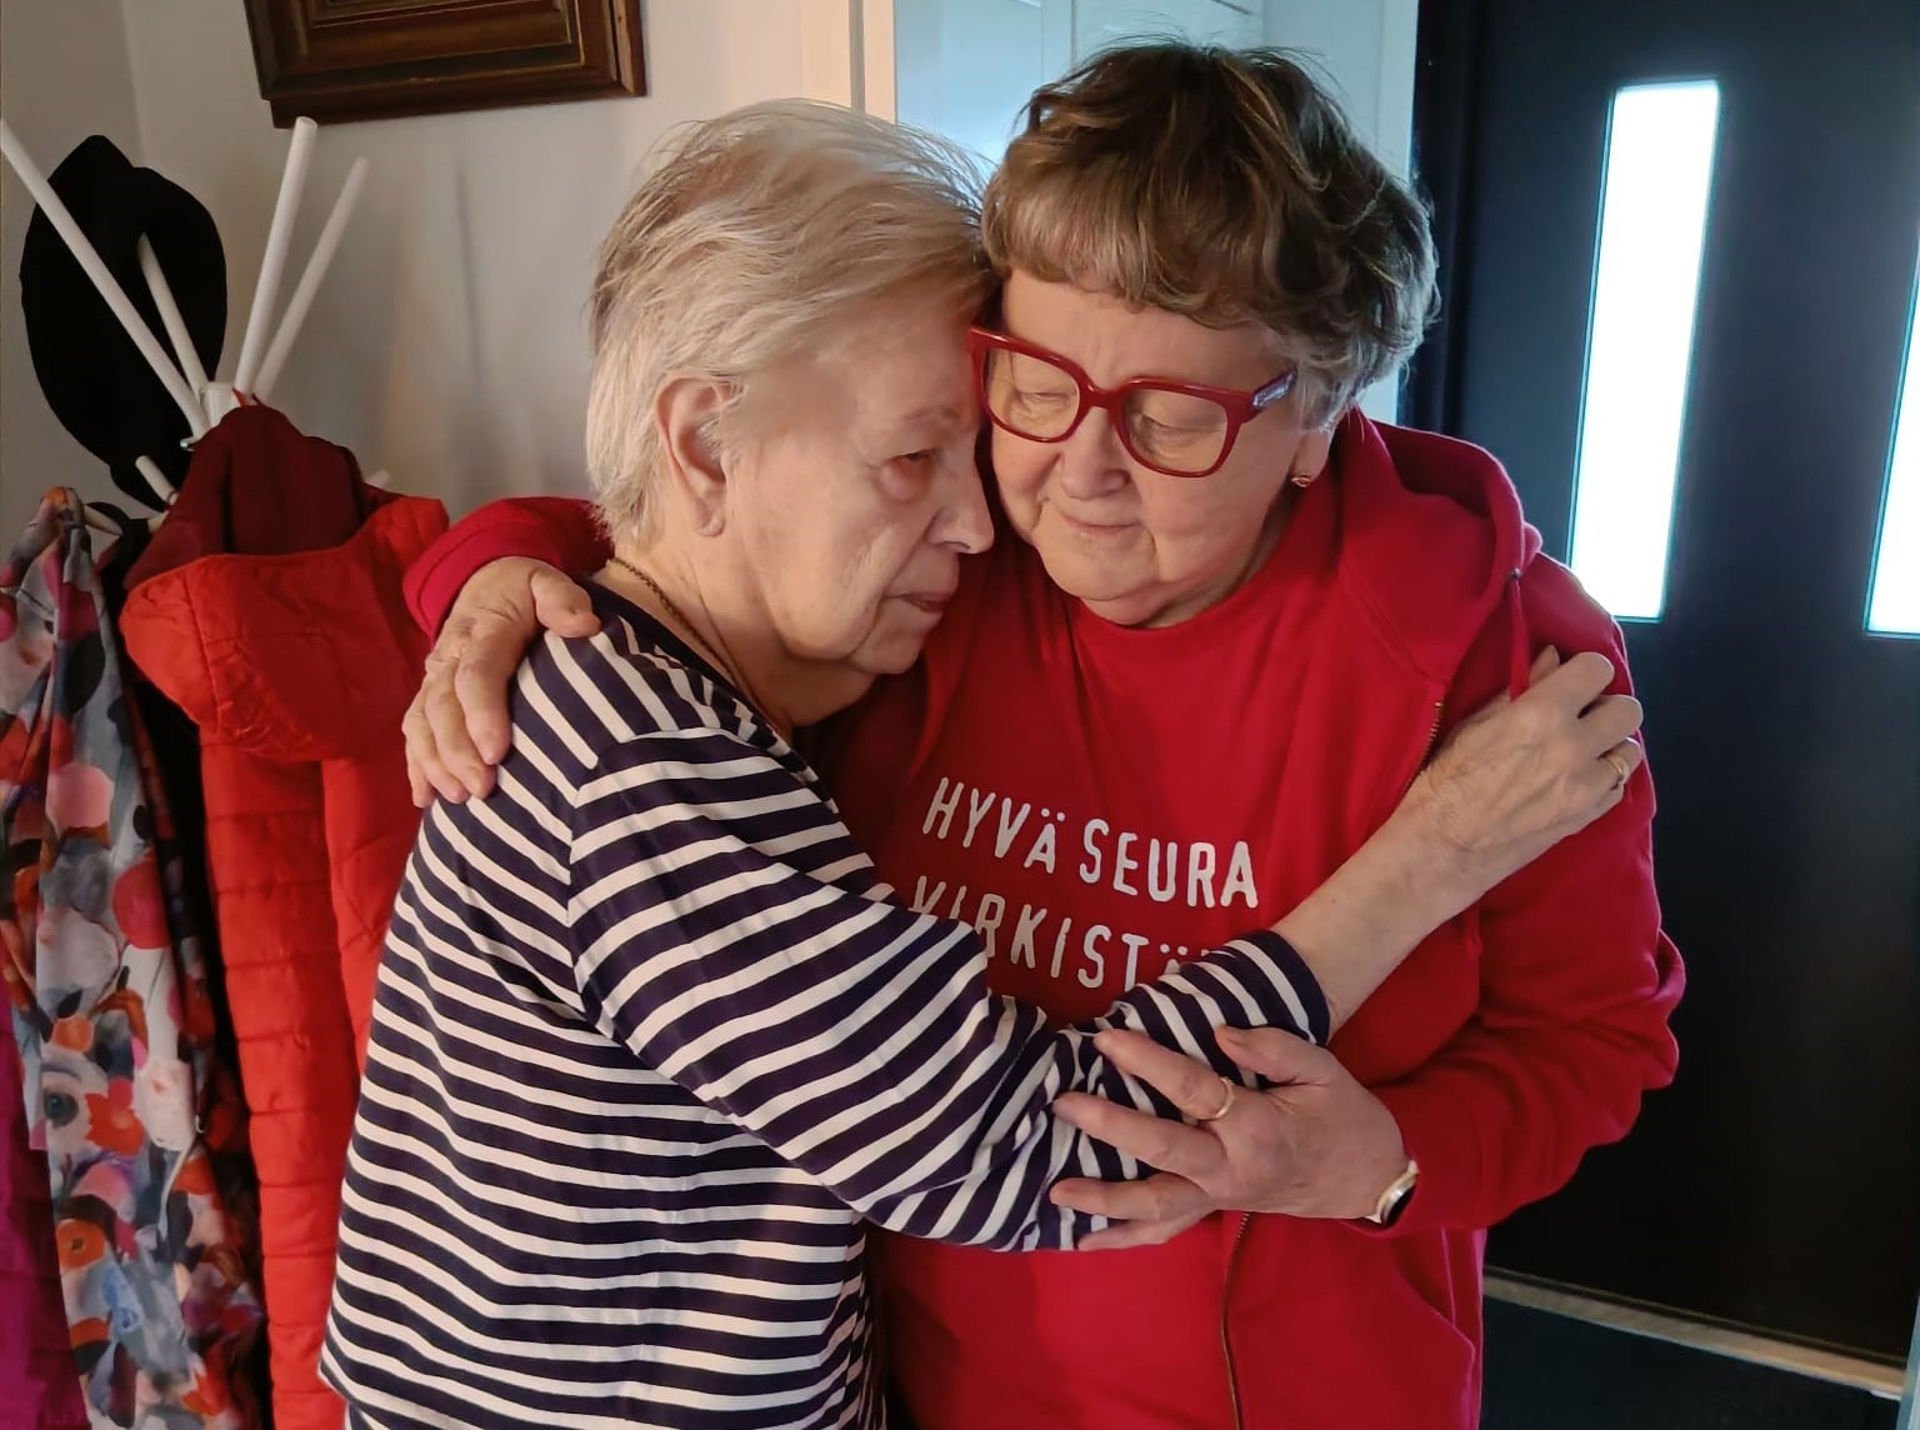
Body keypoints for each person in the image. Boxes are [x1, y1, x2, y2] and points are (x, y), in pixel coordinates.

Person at [398, 44, 1682, 1430]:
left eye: (1170, 417)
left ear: (1315, 415)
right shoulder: (942, 568)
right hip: (912, 1382)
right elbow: (703, 548)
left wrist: (1385, 1162)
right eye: (1028, 386)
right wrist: (488, 571)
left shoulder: (1506, 662)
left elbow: (1595, 1043)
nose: (1074, 476)